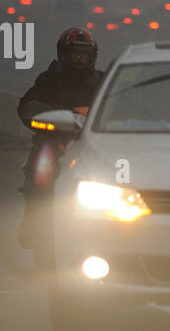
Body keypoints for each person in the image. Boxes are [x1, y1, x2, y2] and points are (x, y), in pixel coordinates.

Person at [16, 28, 105, 249]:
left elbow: (121, 106)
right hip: (54, 140)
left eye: (83, 55)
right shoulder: (49, 80)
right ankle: (34, 220)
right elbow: (28, 106)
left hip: (91, 143)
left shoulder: (104, 82)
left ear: (92, 56)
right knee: (38, 169)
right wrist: (57, 115)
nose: (78, 59)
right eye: (74, 54)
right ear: (62, 54)